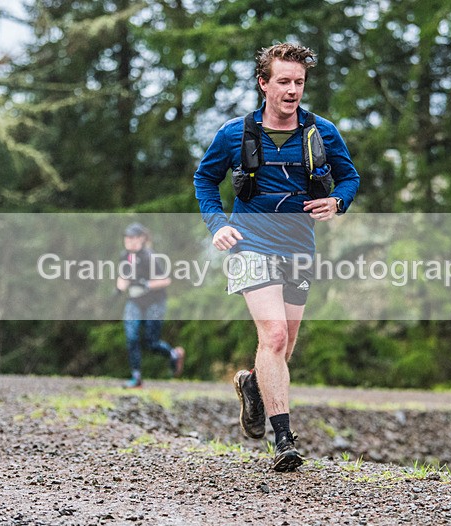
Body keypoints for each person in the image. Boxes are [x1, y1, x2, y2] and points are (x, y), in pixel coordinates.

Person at [193, 43, 360, 471]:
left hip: (299, 245)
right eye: (283, 81)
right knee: (274, 336)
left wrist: (338, 203)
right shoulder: (234, 133)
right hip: (250, 242)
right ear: (263, 83)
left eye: (298, 82)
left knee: (284, 343)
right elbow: (205, 181)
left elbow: (349, 177)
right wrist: (218, 225)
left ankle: (253, 386)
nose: (292, 90)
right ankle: (283, 439)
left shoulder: (322, 131)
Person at [116, 222, 185, 388]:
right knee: (131, 337)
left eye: (133, 237)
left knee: (151, 342)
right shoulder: (125, 256)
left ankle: (174, 354)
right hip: (135, 302)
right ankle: (136, 377)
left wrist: (146, 284)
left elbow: (166, 280)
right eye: (127, 237)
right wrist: (119, 288)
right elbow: (123, 277)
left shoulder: (149, 257)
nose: (129, 241)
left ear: (141, 239)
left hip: (155, 302)